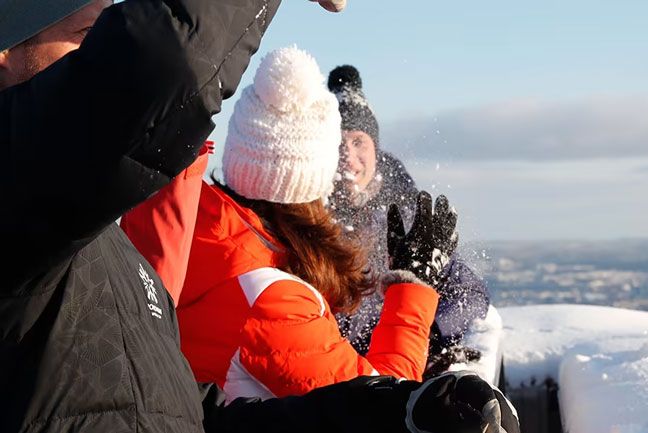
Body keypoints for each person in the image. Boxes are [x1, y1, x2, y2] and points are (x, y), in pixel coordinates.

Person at [0, 1, 518, 431]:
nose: (101, 60)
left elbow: (180, 414)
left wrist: (399, 411)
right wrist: (413, 292)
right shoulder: (265, 291)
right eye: (87, 36)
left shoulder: (123, 246)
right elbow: (160, 73)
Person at [123, 45, 454, 403]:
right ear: (310, 182)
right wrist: (413, 288)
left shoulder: (189, 232)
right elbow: (383, 410)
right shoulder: (269, 301)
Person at [327, 65, 491, 376]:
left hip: (394, 373)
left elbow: (468, 293)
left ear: (375, 149)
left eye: (358, 141)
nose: (348, 156)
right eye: (338, 143)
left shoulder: (404, 219)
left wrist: (427, 333)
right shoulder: (305, 221)